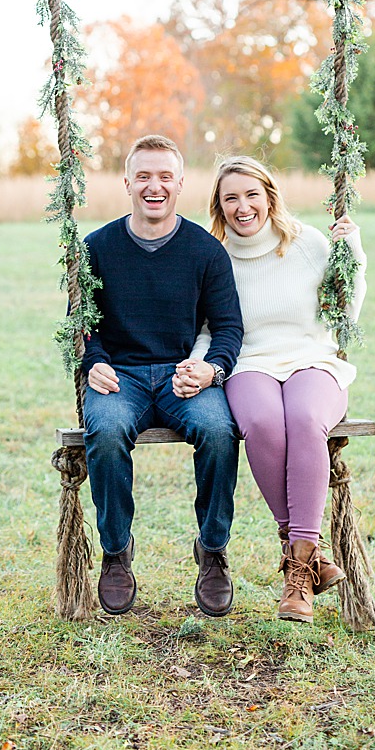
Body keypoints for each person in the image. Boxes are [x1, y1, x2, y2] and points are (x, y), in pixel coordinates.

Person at [192, 155, 366, 624]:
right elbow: (209, 328)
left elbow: (345, 313)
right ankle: (307, 556)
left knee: (306, 420)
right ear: (219, 205)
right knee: (264, 422)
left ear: (269, 197)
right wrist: (199, 362)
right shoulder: (214, 257)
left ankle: (297, 569)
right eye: (231, 198)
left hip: (313, 359)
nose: (242, 206)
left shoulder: (307, 243)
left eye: (252, 194)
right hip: (249, 362)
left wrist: (355, 256)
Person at [81, 134, 244, 617]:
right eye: (144, 176)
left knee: (218, 430)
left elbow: (229, 328)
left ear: (180, 184)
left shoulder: (205, 251)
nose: (155, 186)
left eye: (165, 176)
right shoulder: (96, 247)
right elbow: (84, 326)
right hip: (122, 376)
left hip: (181, 376)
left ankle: (212, 550)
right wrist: (95, 362)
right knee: (106, 431)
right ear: (127, 182)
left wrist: (211, 370)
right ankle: (115, 552)